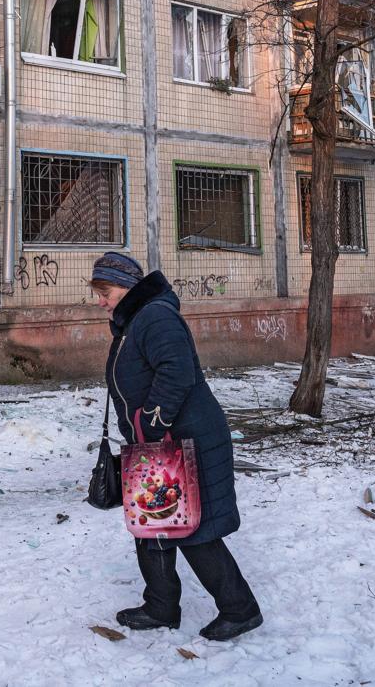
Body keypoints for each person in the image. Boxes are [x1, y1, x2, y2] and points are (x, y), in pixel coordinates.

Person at [91, 251, 264, 642]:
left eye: (106, 291)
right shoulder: (137, 318)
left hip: (184, 439)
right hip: (158, 442)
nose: (100, 300)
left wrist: (152, 421)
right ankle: (161, 606)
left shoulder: (155, 316)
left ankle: (240, 610)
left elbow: (177, 372)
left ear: (128, 287)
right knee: (152, 524)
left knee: (192, 529)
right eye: (97, 292)